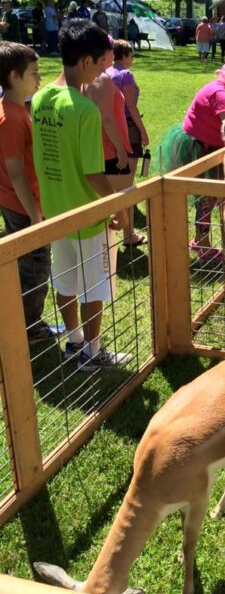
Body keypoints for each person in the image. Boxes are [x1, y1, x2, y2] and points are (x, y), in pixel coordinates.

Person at [31, 19, 131, 371]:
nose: (103, 70)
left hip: (56, 211)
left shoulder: (40, 99)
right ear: (85, 61)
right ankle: (92, 351)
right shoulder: (85, 110)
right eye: (100, 63)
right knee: (95, 286)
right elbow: (92, 173)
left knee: (66, 279)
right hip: (88, 216)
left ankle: (74, 342)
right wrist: (117, 204)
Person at [161, 57, 225, 261]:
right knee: (206, 198)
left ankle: (212, 240)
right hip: (199, 147)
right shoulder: (219, 92)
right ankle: (202, 244)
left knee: (215, 196)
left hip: (211, 146)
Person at [0, 42, 57, 342]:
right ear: (13, 76)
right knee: (35, 265)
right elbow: (16, 171)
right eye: (34, 73)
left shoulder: (17, 110)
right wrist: (35, 214)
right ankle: (29, 325)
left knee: (29, 263)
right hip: (22, 205)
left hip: (20, 201)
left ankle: (25, 319)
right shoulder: (10, 118)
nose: (39, 79)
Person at [84, 36, 135, 247]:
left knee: (108, 197)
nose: (114, 54)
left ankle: (114, 239)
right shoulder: (101, 80)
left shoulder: (87, 79)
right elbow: (106, 118)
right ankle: (121, 239)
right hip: (110, 148)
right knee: (122, 197)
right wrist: (120, 150)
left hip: (99, 147)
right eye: (110, 50)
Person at [107, 39, 149, 246]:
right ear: (123, 55)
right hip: (128, 129)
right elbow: (131, 106)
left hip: (108, 131)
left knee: (112, 179)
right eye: (131, 54)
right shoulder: (125, 75)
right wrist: (143, 131)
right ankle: (128, 235)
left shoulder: (104, 74)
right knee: (127, 185)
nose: (132, 57)